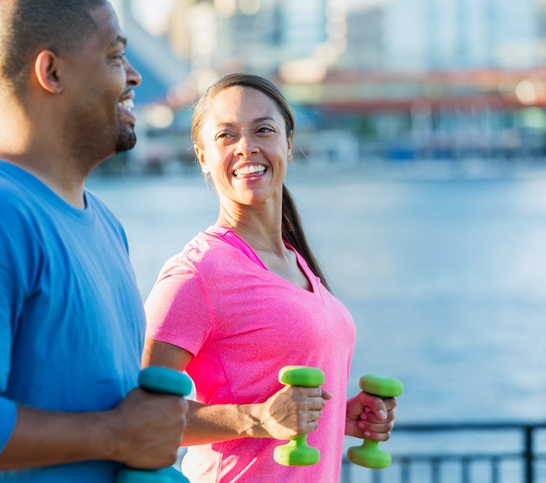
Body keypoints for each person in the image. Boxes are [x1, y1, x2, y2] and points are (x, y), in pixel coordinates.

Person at [0, 1, 187, 481]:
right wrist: (118, 434)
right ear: (51, 72)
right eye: (114, 55)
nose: (134, 76)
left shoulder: (105, 224)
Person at [142, 73, 398, 482]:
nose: (247, 147)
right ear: (203, 156)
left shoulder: (297, 261)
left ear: (288, 143)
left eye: (263, 129)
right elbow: (138, 416)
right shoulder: (195, 273)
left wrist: (335, 415)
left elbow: (278, 397)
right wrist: (256, 419)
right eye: (226, 135)